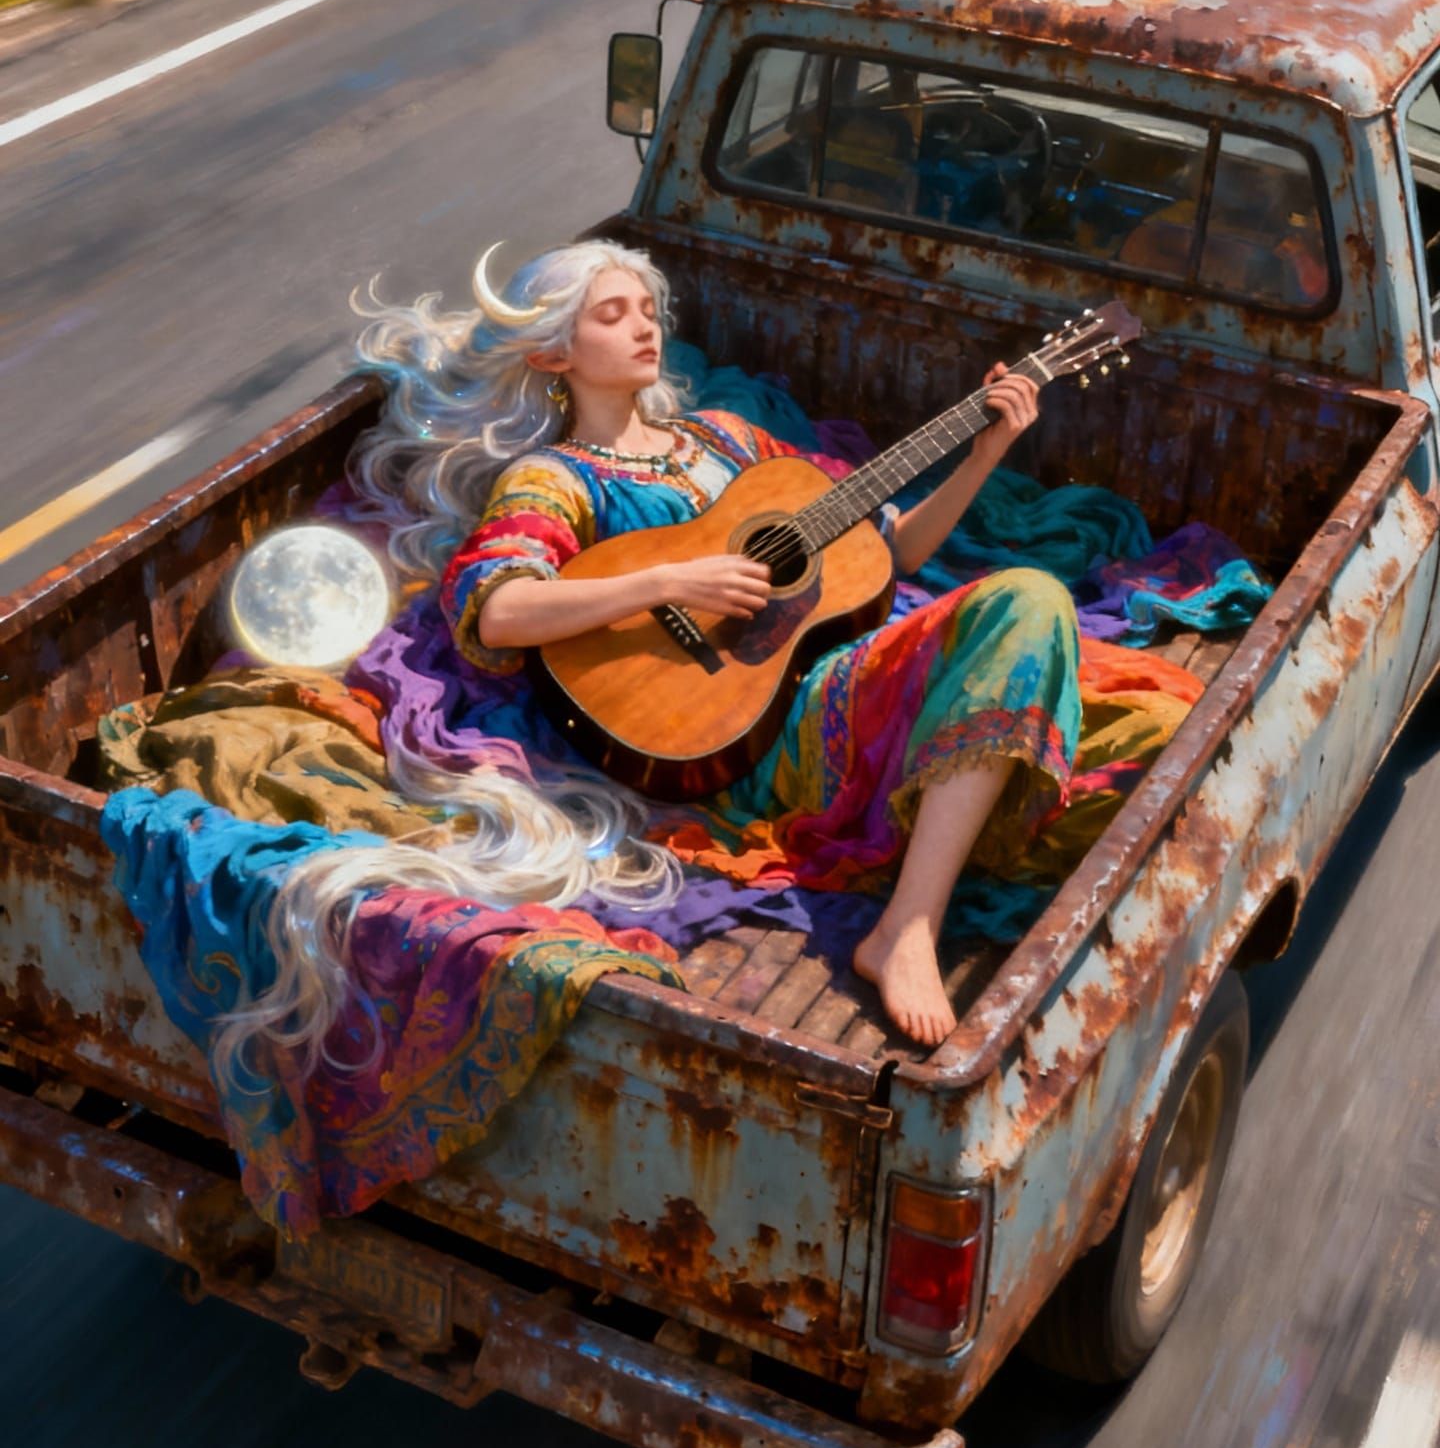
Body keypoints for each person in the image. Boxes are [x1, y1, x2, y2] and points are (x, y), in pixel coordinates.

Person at [405, 240, 1082, 1048]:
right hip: (723, 735)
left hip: (817, 681)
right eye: (612, 315)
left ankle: (909, 922)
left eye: (650, 312)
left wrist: (985, 453)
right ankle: (907, 932)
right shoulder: (555, 478)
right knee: (1027, 607)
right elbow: (500, 612)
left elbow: (892, 551)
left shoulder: (726, 441)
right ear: (554, 352)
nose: (644, 329)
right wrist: (669, 583)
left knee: (1033, 600)